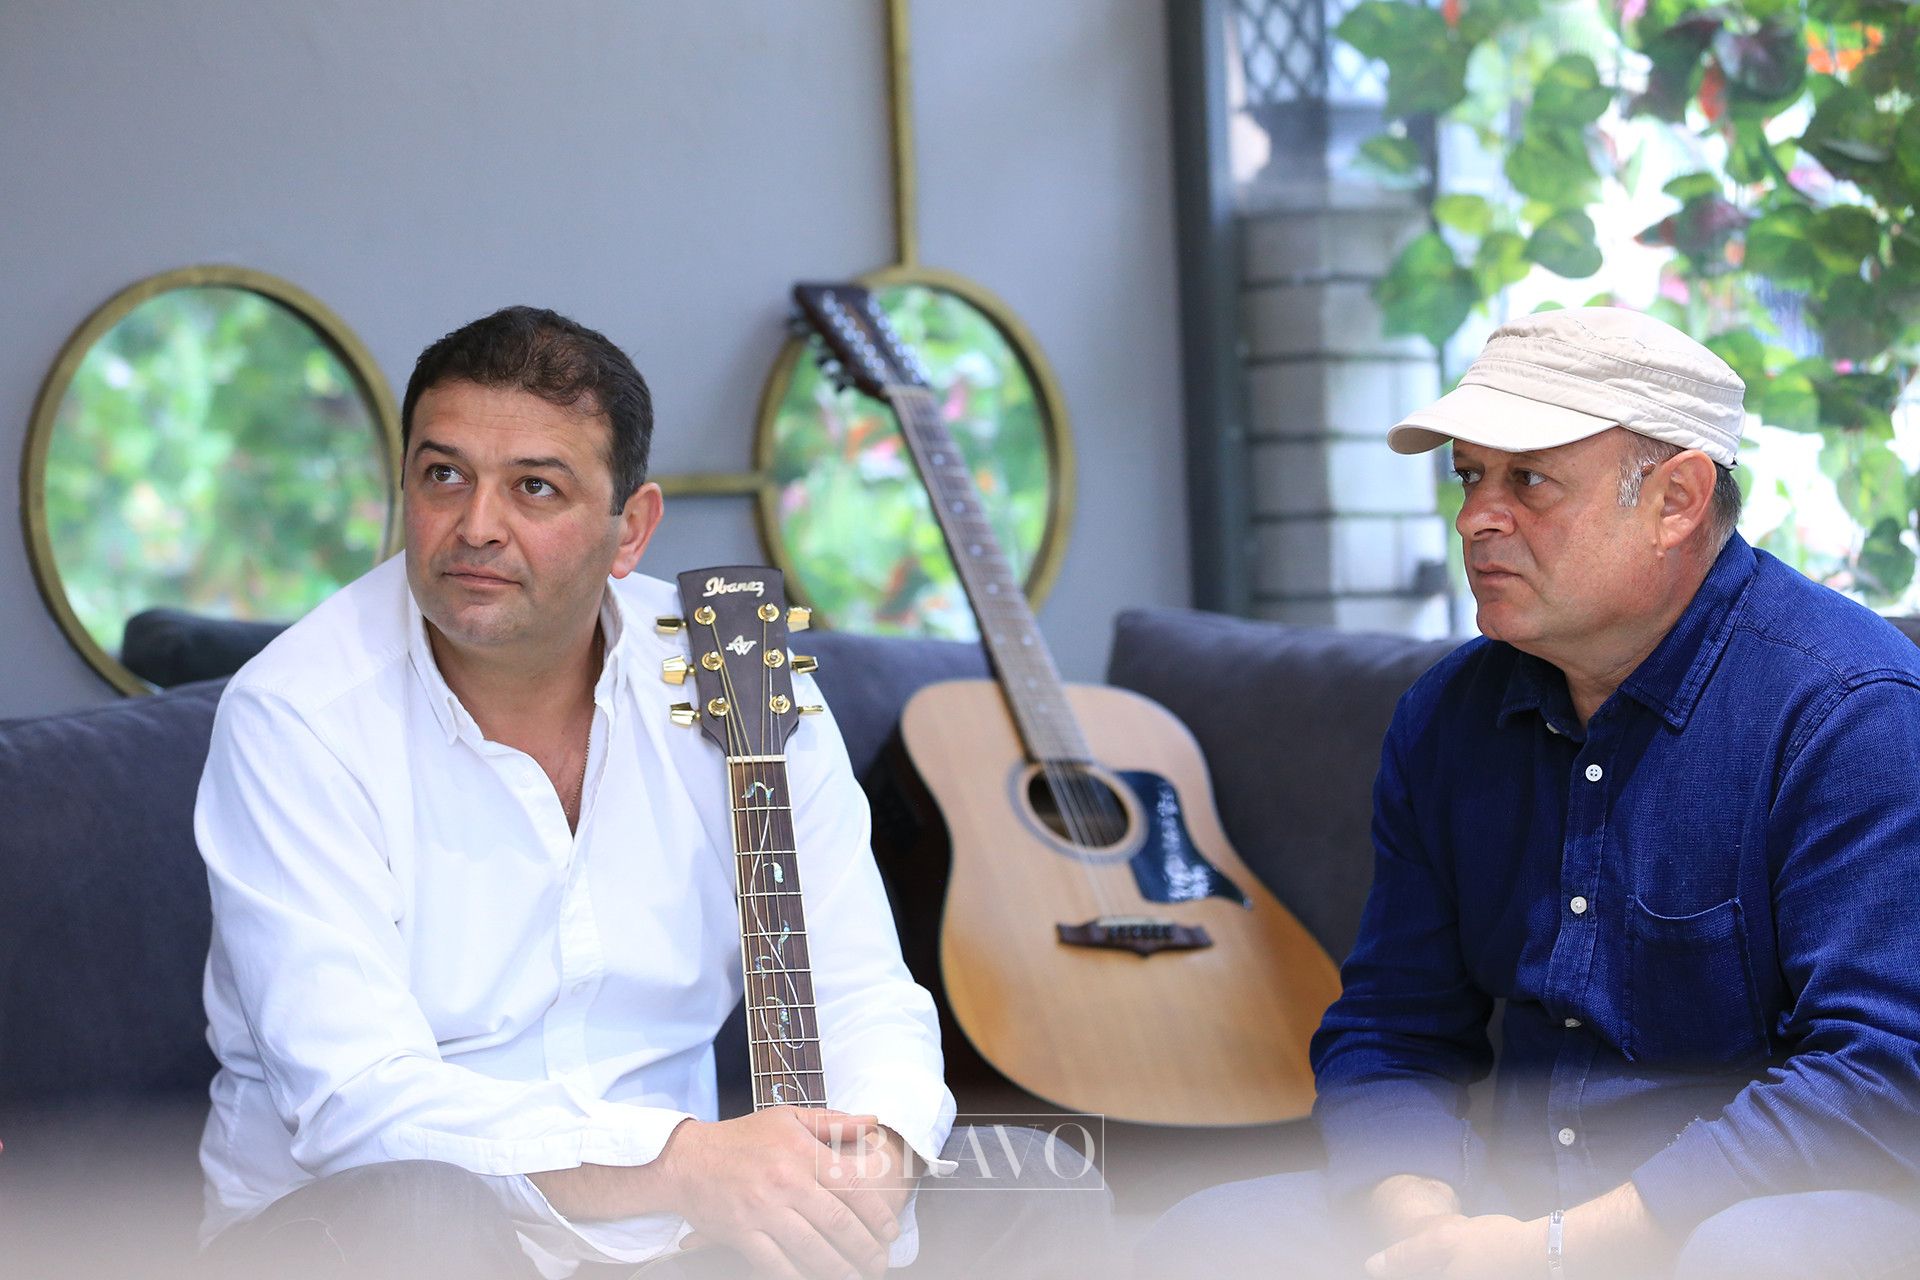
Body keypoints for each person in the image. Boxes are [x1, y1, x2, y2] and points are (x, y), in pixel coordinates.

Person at [194, 306, 1104, 1280]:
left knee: (1034, 1183)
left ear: (629, 529)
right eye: (443, 474)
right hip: (396, 1227)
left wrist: (869, 1155)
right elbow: (358, 1104)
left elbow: (859, 988)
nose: (476, 525)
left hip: (684, 1234)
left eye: (534, 487)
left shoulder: (740, 670)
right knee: (420, 1211)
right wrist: (684, 1164)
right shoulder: (297, 716)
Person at [1137, 307, 1920, 1280]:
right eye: (1470, 476)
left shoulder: (1851, 711)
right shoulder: (1447, 716)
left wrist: (1560, 1248)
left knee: (1748, 1253)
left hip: (1746, 1210)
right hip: (1504, 1210)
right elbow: (1390, 1026)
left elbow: (1881, 1073)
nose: (1476, 517)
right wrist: (1423, 1222)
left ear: (1676, 499)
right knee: (1211, 1231)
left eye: (1530, 480)